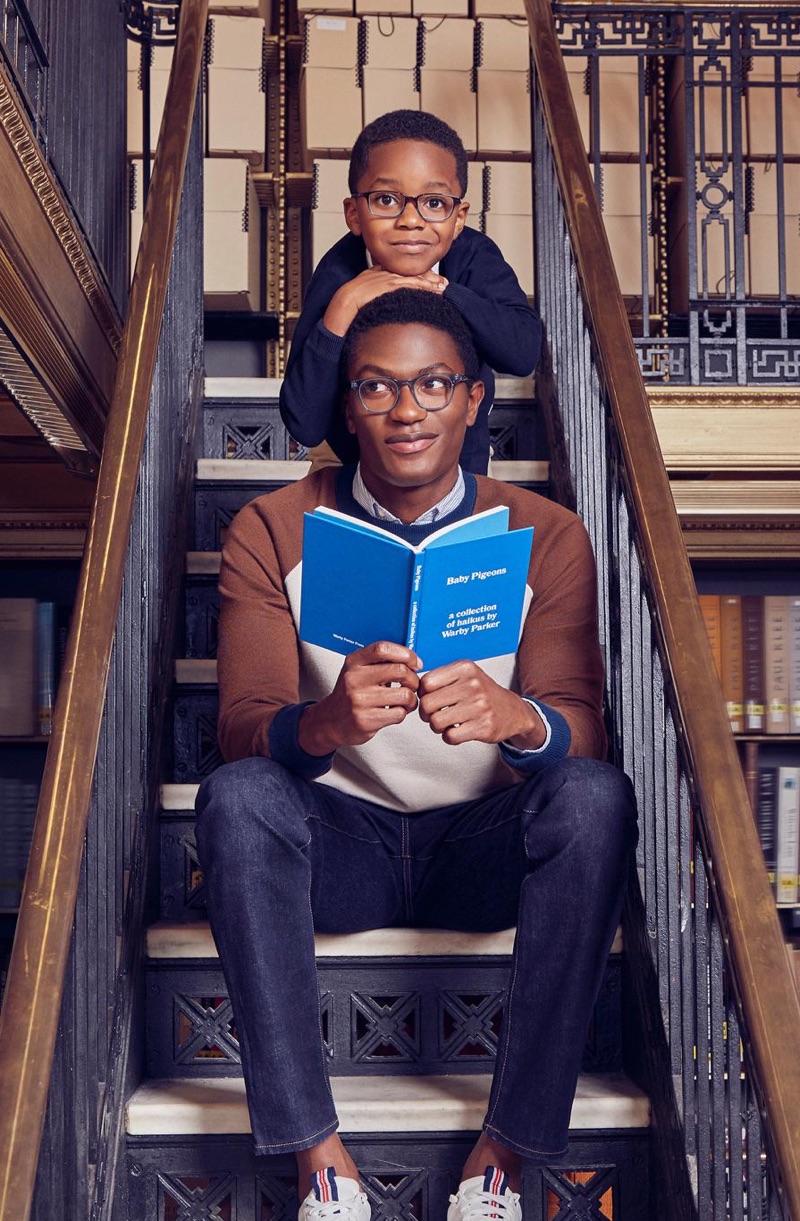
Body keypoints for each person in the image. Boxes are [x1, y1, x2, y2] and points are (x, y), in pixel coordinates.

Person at [196, 289, 637, 1221]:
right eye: (377, 387)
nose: (407, 410)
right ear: (347, 404)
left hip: (482, 848)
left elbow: (580, 729)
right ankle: (319, 1159)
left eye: (434, 384)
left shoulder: (545, 533)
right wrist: (323, 722)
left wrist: (516, 716)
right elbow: (241, 724)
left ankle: (507, 1154)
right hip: (341, 847)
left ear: (474, 399)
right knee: (236, 797)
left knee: (597, 796)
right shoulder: (271, 528)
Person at [278, 109, 542, 475]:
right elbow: (304, 422)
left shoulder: (473, 256)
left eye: (434, 203)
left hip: (458, 460)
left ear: (459, 218)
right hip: (350, 463)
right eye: (386, 199)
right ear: (354, 214)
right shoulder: (338, 273)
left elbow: (522, 352)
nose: (411, 219)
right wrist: (344, 305)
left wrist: (448, 292)